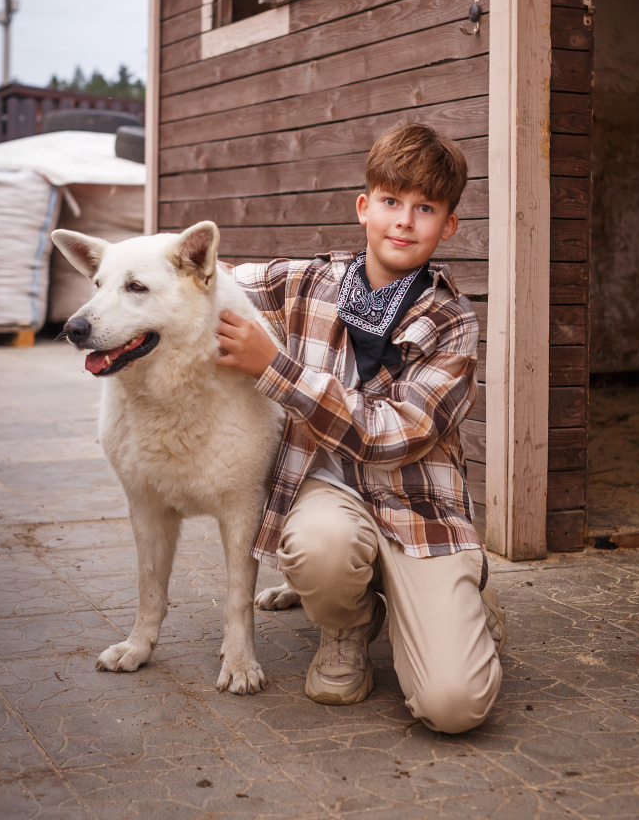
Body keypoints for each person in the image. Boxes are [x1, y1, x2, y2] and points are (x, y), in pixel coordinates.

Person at [216, 122, 505, 734]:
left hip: (415, 505)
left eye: (425, 208)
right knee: (319, 545)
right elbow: (212, 282)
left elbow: (390, 436)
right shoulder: (305, 283)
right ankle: (347, 626)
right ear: (364, 207)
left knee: (455, 709)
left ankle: (458, 589)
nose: (404, 221)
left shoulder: (451, 323)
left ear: (448, 225)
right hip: (326, 495)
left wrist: (276, 369)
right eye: (391, 202)